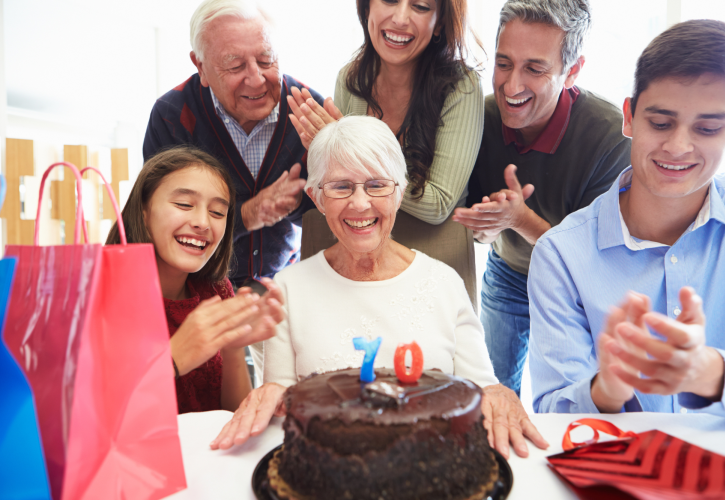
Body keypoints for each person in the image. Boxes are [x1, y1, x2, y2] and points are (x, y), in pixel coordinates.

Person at [210, 116, 549, 459]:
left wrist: (500, 394)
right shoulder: (287, 289)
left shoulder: (444, 282)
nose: (360, 204)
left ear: (399, 194)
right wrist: (268, 392)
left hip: (430, 466)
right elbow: (279, 397)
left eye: (376, 185)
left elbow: (482, 388)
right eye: (341, 187)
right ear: (317, 197)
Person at [528, 19, 725, 417]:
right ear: (628, 117)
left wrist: (714, 374)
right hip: (619, 475)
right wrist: (606, 390)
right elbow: (551, 413)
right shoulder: (561, 255)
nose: (678, 146)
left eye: (708, 128)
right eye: (660, 123)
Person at [452, 0, 631, 395]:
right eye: (503, 64)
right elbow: (479, 231)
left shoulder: (611, 137)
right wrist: (489, 225)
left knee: (575, 399)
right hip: (510, 273)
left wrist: (519, 219)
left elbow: (588, 259)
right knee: (493, 391)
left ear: (572, 71)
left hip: (580, 288)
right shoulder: (478, 119)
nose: (512, 86)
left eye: (534, 69)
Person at [143, 0, 324, 290]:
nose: (256, 80)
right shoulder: (172, 115)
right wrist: (248, 213)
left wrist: (331, 172)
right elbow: (160, 219)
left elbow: (335, 213)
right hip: (198, 289)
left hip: (287, 286)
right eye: (235, 65)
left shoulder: (310, 110)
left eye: (267, 60)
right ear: (200, 65)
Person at [105, 146, 284, 413]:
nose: (202, 222)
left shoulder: (215, 290)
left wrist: (234, 346)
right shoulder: (99, 294)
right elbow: (90, 420)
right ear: (143, 210)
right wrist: (172, 359)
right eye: (184, 205)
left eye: (217, 213)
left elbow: (233, 415)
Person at [287, 0, 484, 225]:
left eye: (420, 6)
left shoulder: (461, 85)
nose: (400, 19)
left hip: (434, 253)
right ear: (367, 6)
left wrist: (350, 150)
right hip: (362, 247)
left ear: (439, 23)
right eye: (390, 0)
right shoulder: (349, 78)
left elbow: (438, 205)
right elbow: (340, 192)